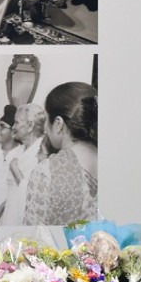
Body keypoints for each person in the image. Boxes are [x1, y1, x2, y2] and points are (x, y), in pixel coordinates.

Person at [24, 82, 97, 225]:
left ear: (58, 124)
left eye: (46, 120)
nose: (45, 128)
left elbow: (34, 232)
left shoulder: (46, 173)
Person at [2, 102, 44, 225]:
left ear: (30, 125)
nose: (13, 127)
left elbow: (33, 192)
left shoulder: (41, 152)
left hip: (25, 215)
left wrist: (15, 170)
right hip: (11, 211)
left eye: (16, 122)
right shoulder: (20, 149)